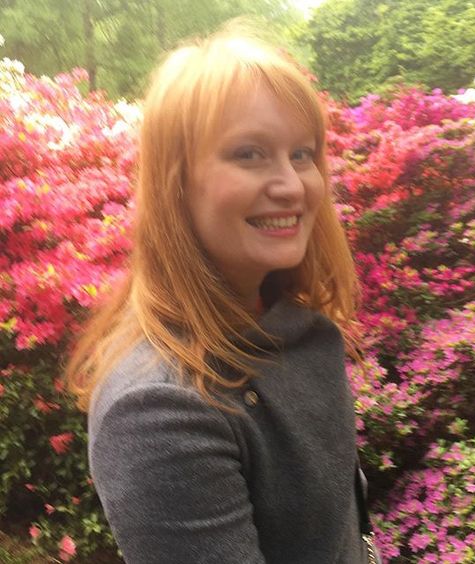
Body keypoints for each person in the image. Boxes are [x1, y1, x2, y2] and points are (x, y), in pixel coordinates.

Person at [67, 21, 378, 564]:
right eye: (249, 154)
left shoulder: (288, 325)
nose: (290, 184)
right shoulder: (162, 409)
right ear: (176, 183)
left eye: (302, 154)